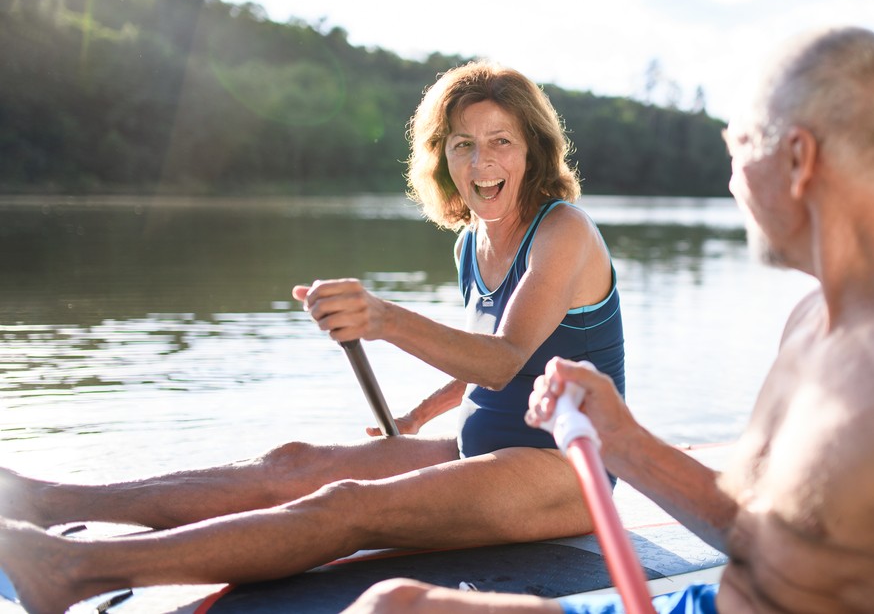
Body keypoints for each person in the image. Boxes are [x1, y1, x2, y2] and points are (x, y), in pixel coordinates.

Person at [337, 27, 874, 613]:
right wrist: (625, 441)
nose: (732, 181)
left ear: (796, 159)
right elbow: (754, 527)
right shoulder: (813, 319)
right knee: (393, 605)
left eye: (740, 148)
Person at [0, 60, 626, 613]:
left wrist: (384, 319)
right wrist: (414, 417)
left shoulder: (563, 230)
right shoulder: (474, 241)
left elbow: (503, 361)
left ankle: (71, 572)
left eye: (501, 142)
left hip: (565, 472)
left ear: (533, 151)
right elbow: (501, 356)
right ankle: (43, 501)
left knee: (347, 504)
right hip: (480, 447)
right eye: (464, 144)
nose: (482, 162)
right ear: (443, 157)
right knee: (292, 463)